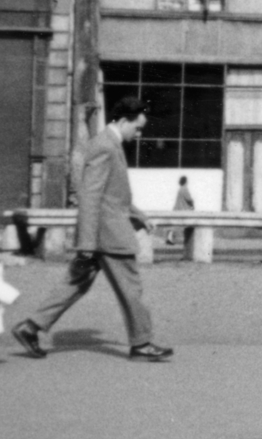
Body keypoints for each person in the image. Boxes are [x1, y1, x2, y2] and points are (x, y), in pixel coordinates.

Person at [12, 97, 174, 362]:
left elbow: (113, 196)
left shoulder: (109, 144)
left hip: (102, 233)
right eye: (138, 127)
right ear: (123, 121)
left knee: (75, 284)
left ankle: (31, 328)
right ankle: (142, 344)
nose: (139, 133)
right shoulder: (105, 147)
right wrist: (86, 245)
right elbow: (90, 196)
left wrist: (139, 215)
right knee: (132, 289)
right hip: (109, 236)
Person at [165, 175, 196, 247]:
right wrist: (193, 204)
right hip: (182, 210)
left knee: (175, 225)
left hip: (177, 208)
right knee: (185, 225)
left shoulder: (180, 189)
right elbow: (189, 199)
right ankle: (188, 242)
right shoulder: (185, 189)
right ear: (186, 181)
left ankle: (170, 238)